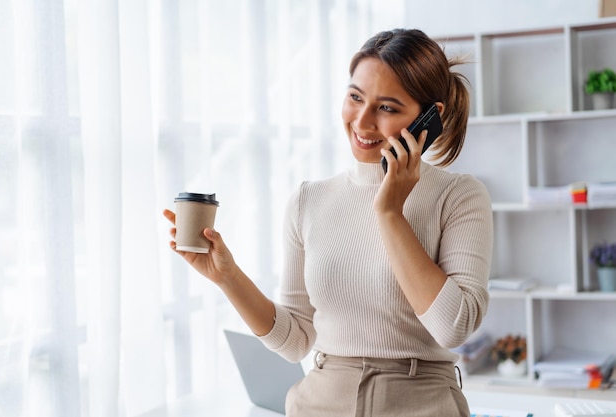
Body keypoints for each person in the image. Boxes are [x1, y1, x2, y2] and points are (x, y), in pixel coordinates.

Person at [164, 28, 493, 417]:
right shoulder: (309, 200)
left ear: (428, 118)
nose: (363, 121)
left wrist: (389, 212)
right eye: (355, 97)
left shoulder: (459, 196)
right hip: (320, 401)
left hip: (420, 402)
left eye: (387, 107)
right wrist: (227, 276)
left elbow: (453, 326)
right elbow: (296, 340)